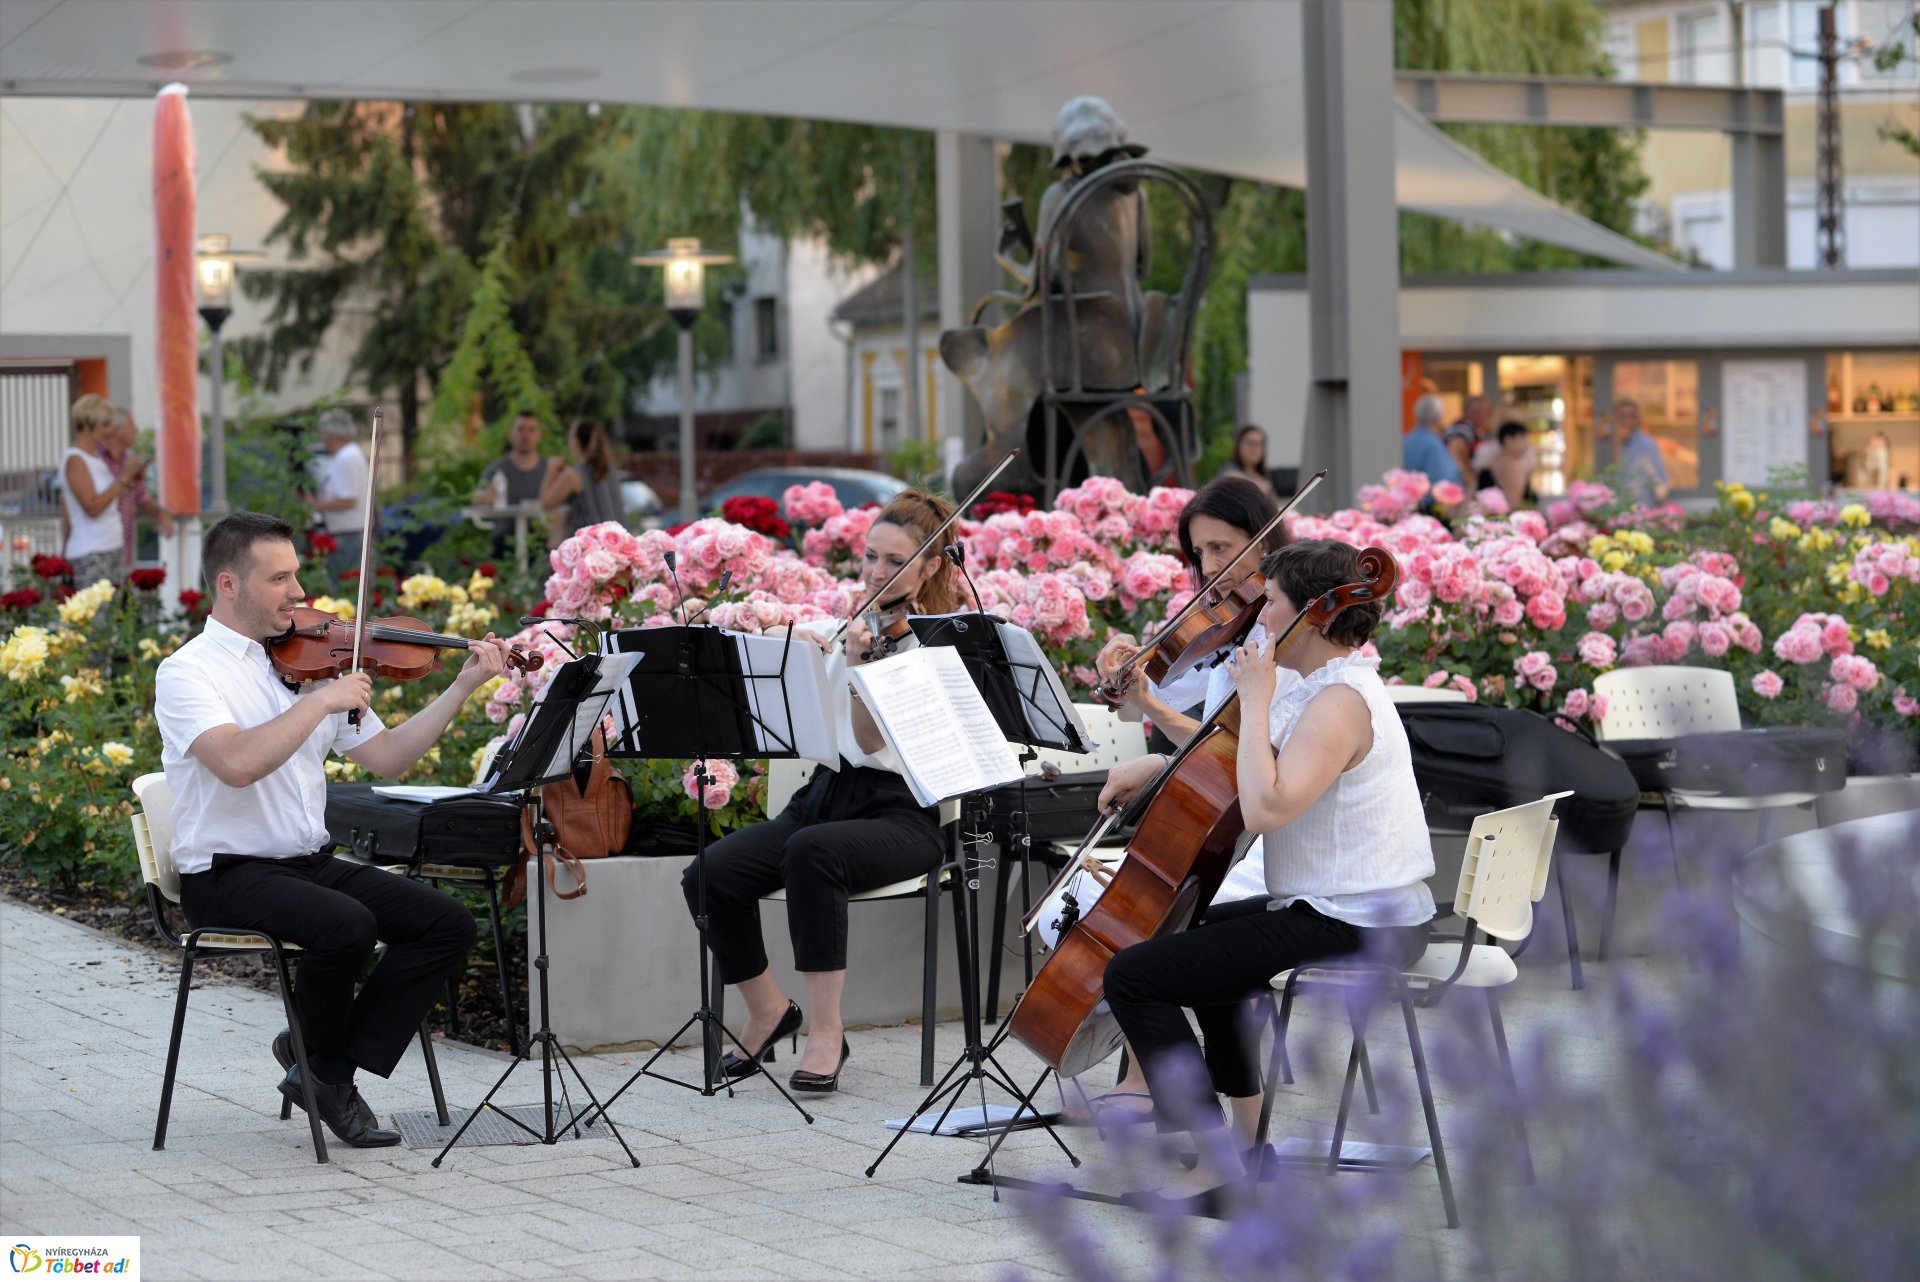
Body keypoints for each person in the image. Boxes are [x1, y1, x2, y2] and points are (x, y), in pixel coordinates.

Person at [1097, 540, 1435, 1209]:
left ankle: (1216, 1163)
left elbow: (1267, 807)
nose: (1257, 612)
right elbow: (1242, 761)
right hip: (1340, 908)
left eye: (1271, 600)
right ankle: (1249, 1148)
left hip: (1360, 921)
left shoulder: (1340, 702)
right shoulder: (1321, 687)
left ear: (1312, 613)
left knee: (1134, 976)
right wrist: (1158, 744)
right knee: (1198, 947)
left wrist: (1255, 700)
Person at [153, 512, 509, 1146]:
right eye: (279, 579)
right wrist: (320, 701)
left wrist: (462, 685)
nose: (299, 593)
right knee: (346, 926)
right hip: (226, 875)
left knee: (446, 923)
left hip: (306, 864)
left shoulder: (310, 664)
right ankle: (326, 1072)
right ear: (229, 584)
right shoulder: (189, 673)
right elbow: (236, 763)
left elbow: (390, 757)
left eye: (297, 575)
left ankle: (321, 1061)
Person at [682, 491, 968, 1094]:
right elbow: (786, 687)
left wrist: (861, 669)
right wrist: (790, 649)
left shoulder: (933, 648)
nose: (876, 572)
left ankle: (827, 1031)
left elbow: (870, 739)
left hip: (902, 813)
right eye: (870, 557)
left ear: (930, 567)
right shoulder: (849, 628)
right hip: (825, 797)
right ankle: (768, 1010)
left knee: (813, 852)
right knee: (710, 873)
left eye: (895, 561)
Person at [1083, 474, 1290, 1124]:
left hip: (1266, 833)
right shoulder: (1225, 628)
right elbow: (1161, 722)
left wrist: (1152, 719)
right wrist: (1131, 684)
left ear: (1264, 542)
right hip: (1220, 814)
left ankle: (1154, 1082)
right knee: (1133, 898)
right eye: (1200, 553)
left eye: (1223, 547)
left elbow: (1225, 747)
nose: (1211, 567)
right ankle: (1149, 1074)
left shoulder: (1284, 635)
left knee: (1163, 916)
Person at [60, 393, 146, 586]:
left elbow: (111, 503)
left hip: (110, 548)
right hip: (91, 552)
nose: (108, 431)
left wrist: (129, 482)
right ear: (87, 425)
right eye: (104, 425)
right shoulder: (75, 459)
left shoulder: (95, 459)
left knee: (113, 606)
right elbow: (92, 507)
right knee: (97, 606)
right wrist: (122, 477)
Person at [101, 406, 175, 564]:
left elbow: (143, 500)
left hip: (123, 553)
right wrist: (125, 478)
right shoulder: (96, 460)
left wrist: (160, 512)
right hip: (99, 550)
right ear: (116, 430)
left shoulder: (128, 461)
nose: (136, 431)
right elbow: (100, 505)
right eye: (131, 425)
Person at [472, 411, 551, 555]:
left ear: (539, 435)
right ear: (510, 434)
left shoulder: (550, 470)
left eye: (531, 430)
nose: (525, 435)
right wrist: (486, 496)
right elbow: (476, 497)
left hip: (542, 542)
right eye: (520, 429)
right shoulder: (497, 470)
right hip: (504, 541)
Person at [303, 410, 369, 577]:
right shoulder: (351, 454)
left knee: (344, 578)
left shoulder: (346, 458)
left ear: (332, 435)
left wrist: (317, 505)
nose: (323, 440)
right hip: (350, 531)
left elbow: (348, 499)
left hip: (347, 533)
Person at [539, 418, 624, 545]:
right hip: (619, 543)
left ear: (575, 442)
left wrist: (551, 468)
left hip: (591, 547)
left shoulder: (574, 474)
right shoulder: (610, 470)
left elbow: (546, 503)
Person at [1613, 398, 1670, 507]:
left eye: (1630, 416)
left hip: (1643, 508)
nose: (1626, 421)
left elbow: (1661, 480)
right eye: (1622, 416)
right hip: (1623, 508)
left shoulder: (1646, 444)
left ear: (1637, 419)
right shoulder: (1619, 444)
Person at [1401, 394, 1462, 489]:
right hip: (1429, 497)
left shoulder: (1406, 441)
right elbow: (1444, 480)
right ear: (1439, 417)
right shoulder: (1433, 445)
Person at [1480, 421, 1538, 510]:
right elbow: (1513, 501)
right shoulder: (1509, 465)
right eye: (1523, 438)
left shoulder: (1497, 461)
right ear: (1508, 439)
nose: (1527, 444)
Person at [1215, 426, 1277, 500]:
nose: (1255, 448)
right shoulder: (1229, 468)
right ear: (1239, 445)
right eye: (1250, 443)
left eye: (1260, 444)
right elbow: (1230, 476)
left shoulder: (1265, 474)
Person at [1442, 395, 1493, 484]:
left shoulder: (1471, 429)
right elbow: (1453, 452)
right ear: (1475, 412)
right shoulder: (1463, 428)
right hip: (1460, 483)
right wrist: (1469, 480)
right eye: (1486, 411)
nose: (1488, 416)